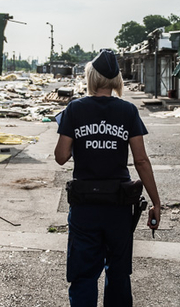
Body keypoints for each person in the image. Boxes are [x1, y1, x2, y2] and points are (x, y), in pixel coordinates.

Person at [54, 49, 161, 307]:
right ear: (116, 80)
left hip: (84, 208)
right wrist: (156, 202)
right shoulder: (127, 111)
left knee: (83, 275)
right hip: (119, 207)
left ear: (91, 77)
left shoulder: (75, 109)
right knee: (119, 273)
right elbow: (141, 160)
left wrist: (72, 130)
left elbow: (61, 156)